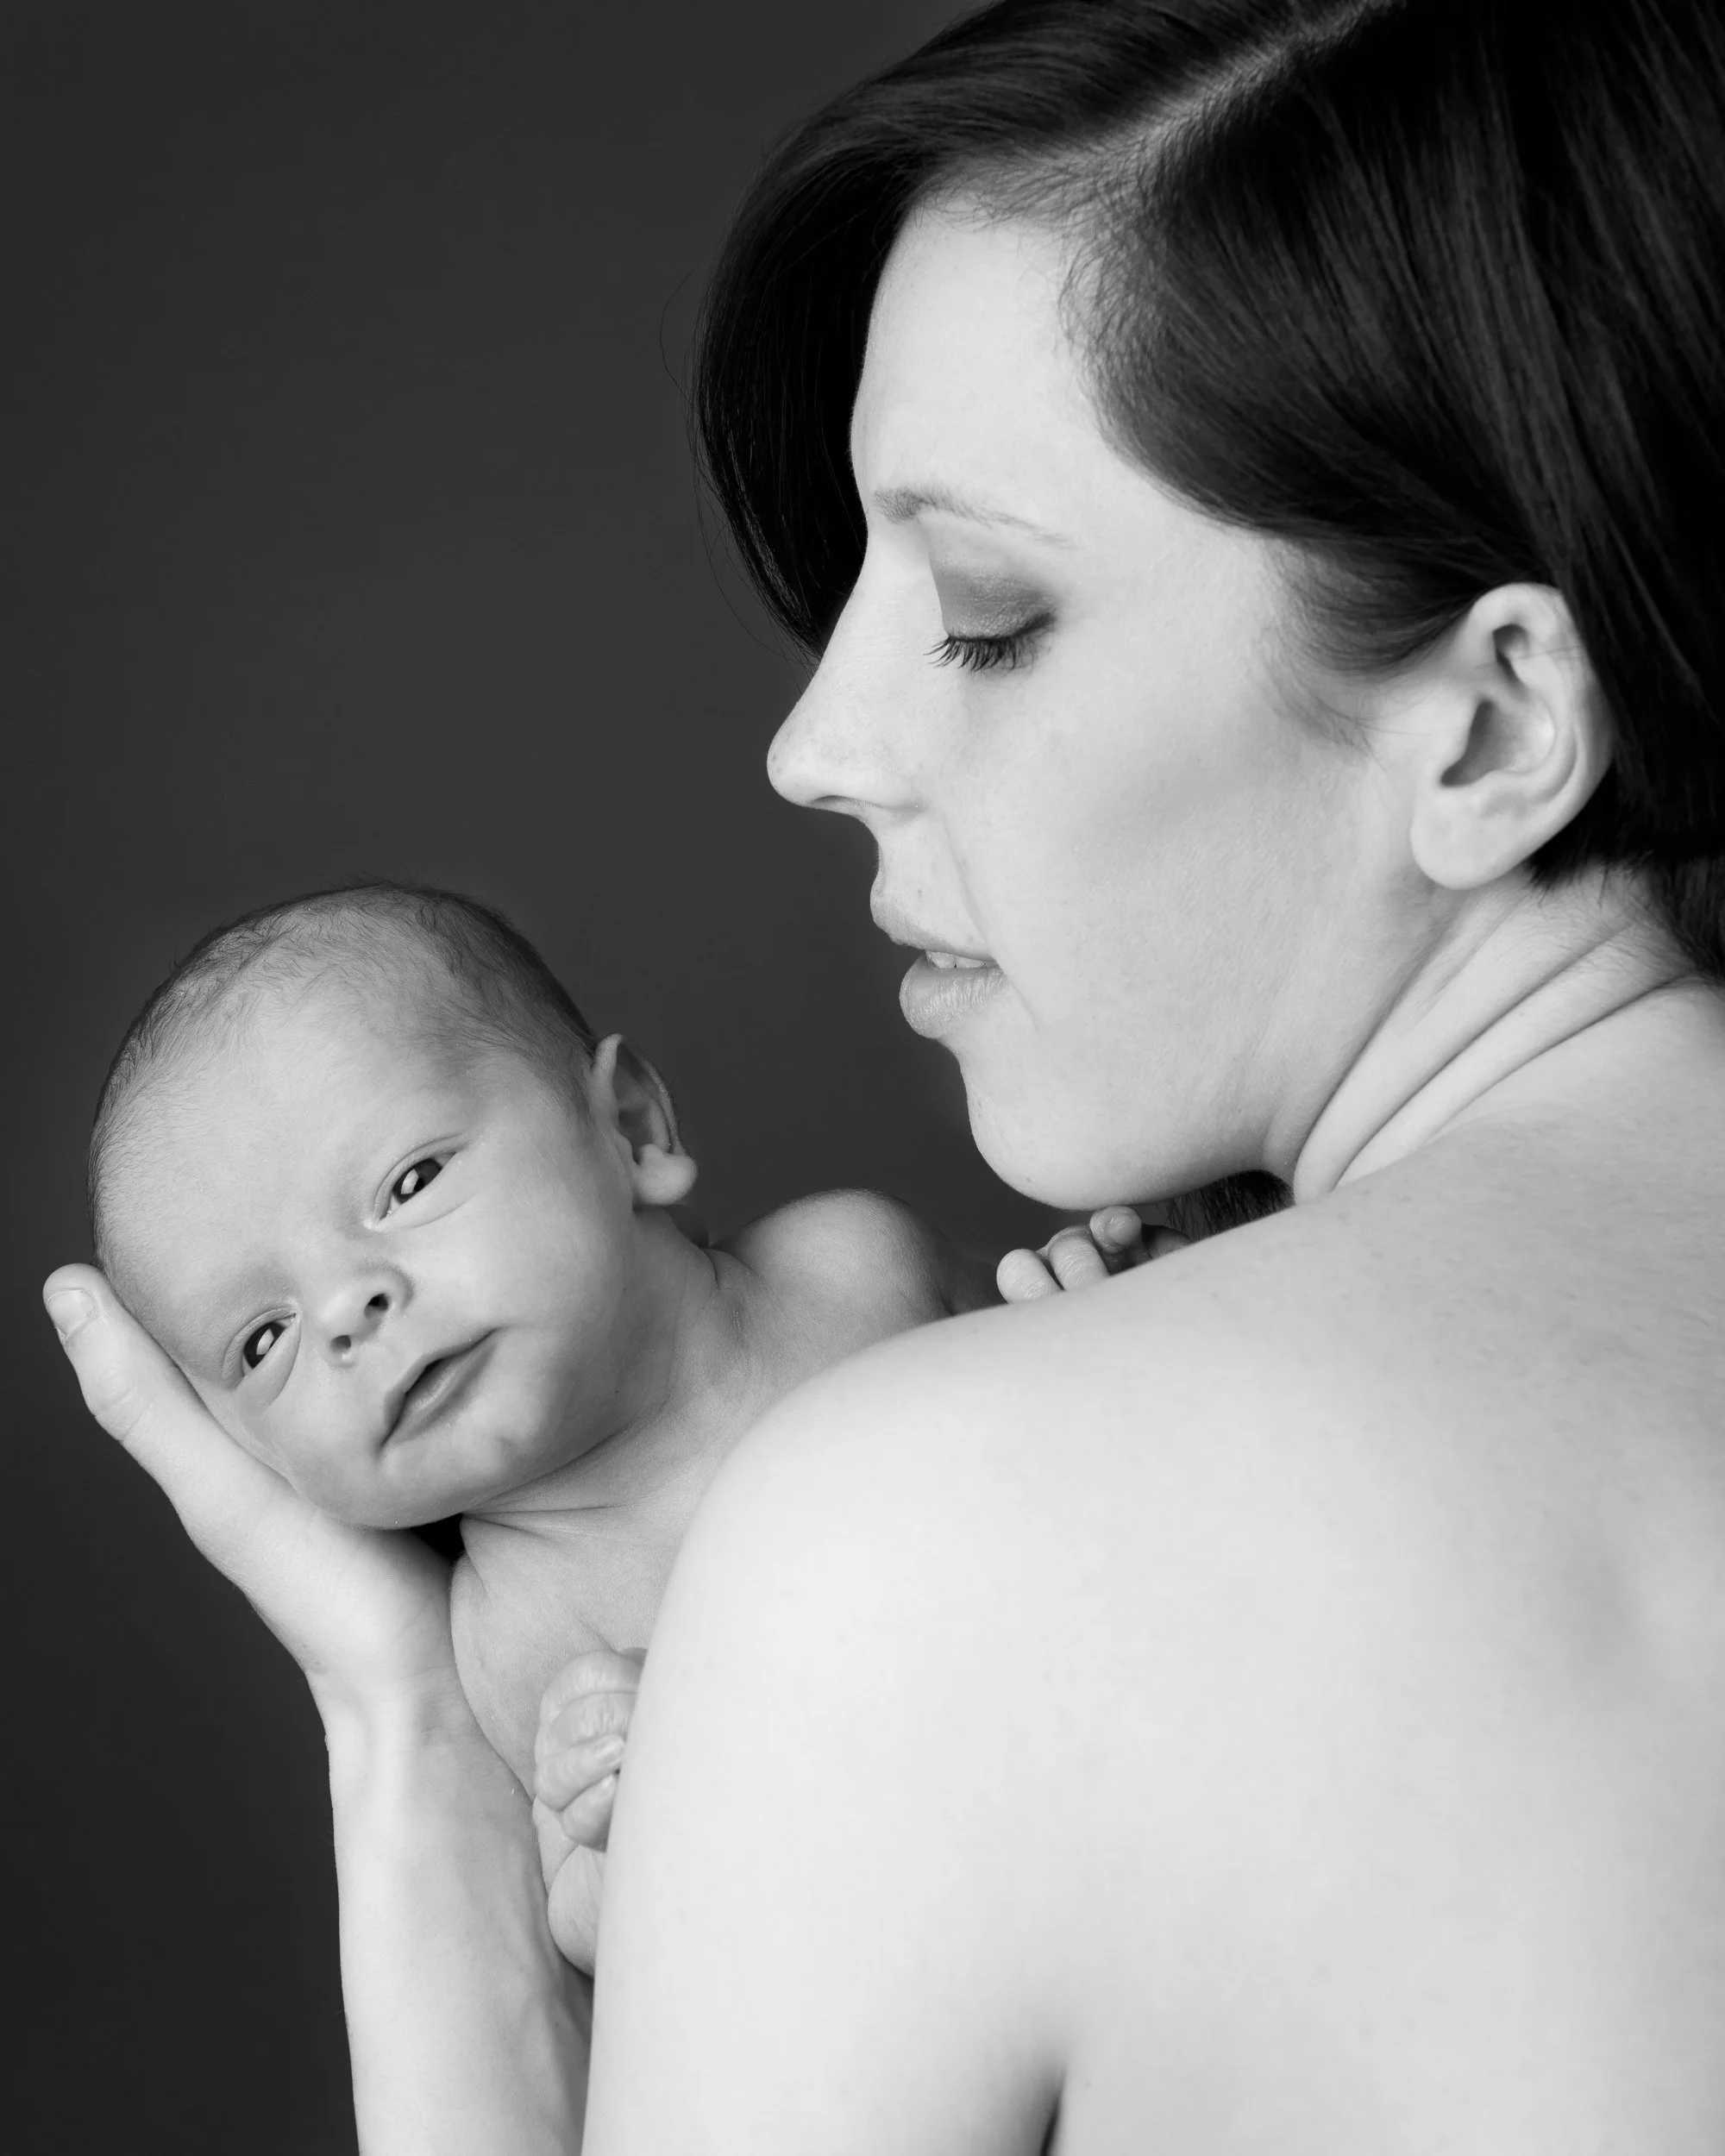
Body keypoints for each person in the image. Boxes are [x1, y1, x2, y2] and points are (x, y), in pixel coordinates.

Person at [47, 0, 1725, 2147]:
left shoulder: (915, 1557)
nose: (811, 748)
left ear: (1485, 726)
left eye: (986, 615)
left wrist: (408, 1768)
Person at [82, 875, 1163, 1972]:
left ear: (631, 1128)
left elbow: (1089, 1424)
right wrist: (605, 1826)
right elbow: (591, 1935)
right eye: (264, 1341)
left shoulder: (854, 1266)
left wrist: (1105, 1311)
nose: (347, 1311)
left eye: (407, 1183)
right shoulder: (521, 1627)